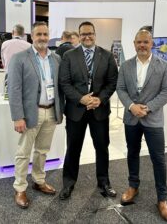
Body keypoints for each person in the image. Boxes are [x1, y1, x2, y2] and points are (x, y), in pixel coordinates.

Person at [116, 29, 167, 222]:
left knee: (158, 159)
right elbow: (121, 88)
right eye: (139, 42)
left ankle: (162, 199)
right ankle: (133, 186)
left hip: (153, 120)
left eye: (145, 42)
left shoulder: (164, 66)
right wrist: (132, 106)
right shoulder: (125, 66)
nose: (142, 45)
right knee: (132, 152)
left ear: (152, 44)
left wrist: (147, 108)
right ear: (134, 44)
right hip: (131, 118)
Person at [59, 21, 118, 200]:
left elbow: (112, 82)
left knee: (102, 148)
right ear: (78, 35)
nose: (87, 36)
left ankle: (104, 182)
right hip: (76, 111)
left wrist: (99, 99)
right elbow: (64, 82)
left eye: (90, 33)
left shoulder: (107, 56)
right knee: (73, 148)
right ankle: (68, 183)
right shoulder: (69, 56)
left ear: (95, 34)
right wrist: (81, 98)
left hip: (99, 111)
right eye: (83, 34)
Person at [8, 21, 63, 209]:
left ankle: (39, 180)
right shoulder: (20, 58)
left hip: (51, 111)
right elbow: (14, 89)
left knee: (42, 151)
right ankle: (20, 187)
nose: (42, 38)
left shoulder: (56, 59)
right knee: (23, 152)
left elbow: (59, 87)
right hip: (31, 112)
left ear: (49, 36)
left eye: (45, 34)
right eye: (38, 34)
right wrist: (18, 116)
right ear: (32, 36)